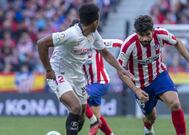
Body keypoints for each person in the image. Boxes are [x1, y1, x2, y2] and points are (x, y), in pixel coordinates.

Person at [37, 4, 129, 135]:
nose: (100, 21)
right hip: (59, 72)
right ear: (95, 21)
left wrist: (120, 69)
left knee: (81, 115)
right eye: (99, 18)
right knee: (75, 107)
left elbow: (105, 53)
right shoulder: (71, 34)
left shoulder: (94, 34)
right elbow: (41, 43)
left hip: (77, 75)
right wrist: (48, 70)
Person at [117, 15, 189, 135]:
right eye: (141, 35)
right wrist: (136, 89)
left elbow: (177, 42)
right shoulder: (128, 45)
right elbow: (120, 71)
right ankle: (148, 128)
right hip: (140, 85)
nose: (144, 39)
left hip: (159, 75)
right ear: (136, 33)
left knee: (175, 103)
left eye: (148, 34)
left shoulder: (161, 34)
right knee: (151, 117)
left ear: (152, 31)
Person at [83, 39, 123, 135]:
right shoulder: (75, 48)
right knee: (97, 116)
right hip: (90, 85)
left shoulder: (95, 42)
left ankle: (93, 124)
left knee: (80, 98)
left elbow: (119, 43)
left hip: (101, 82)